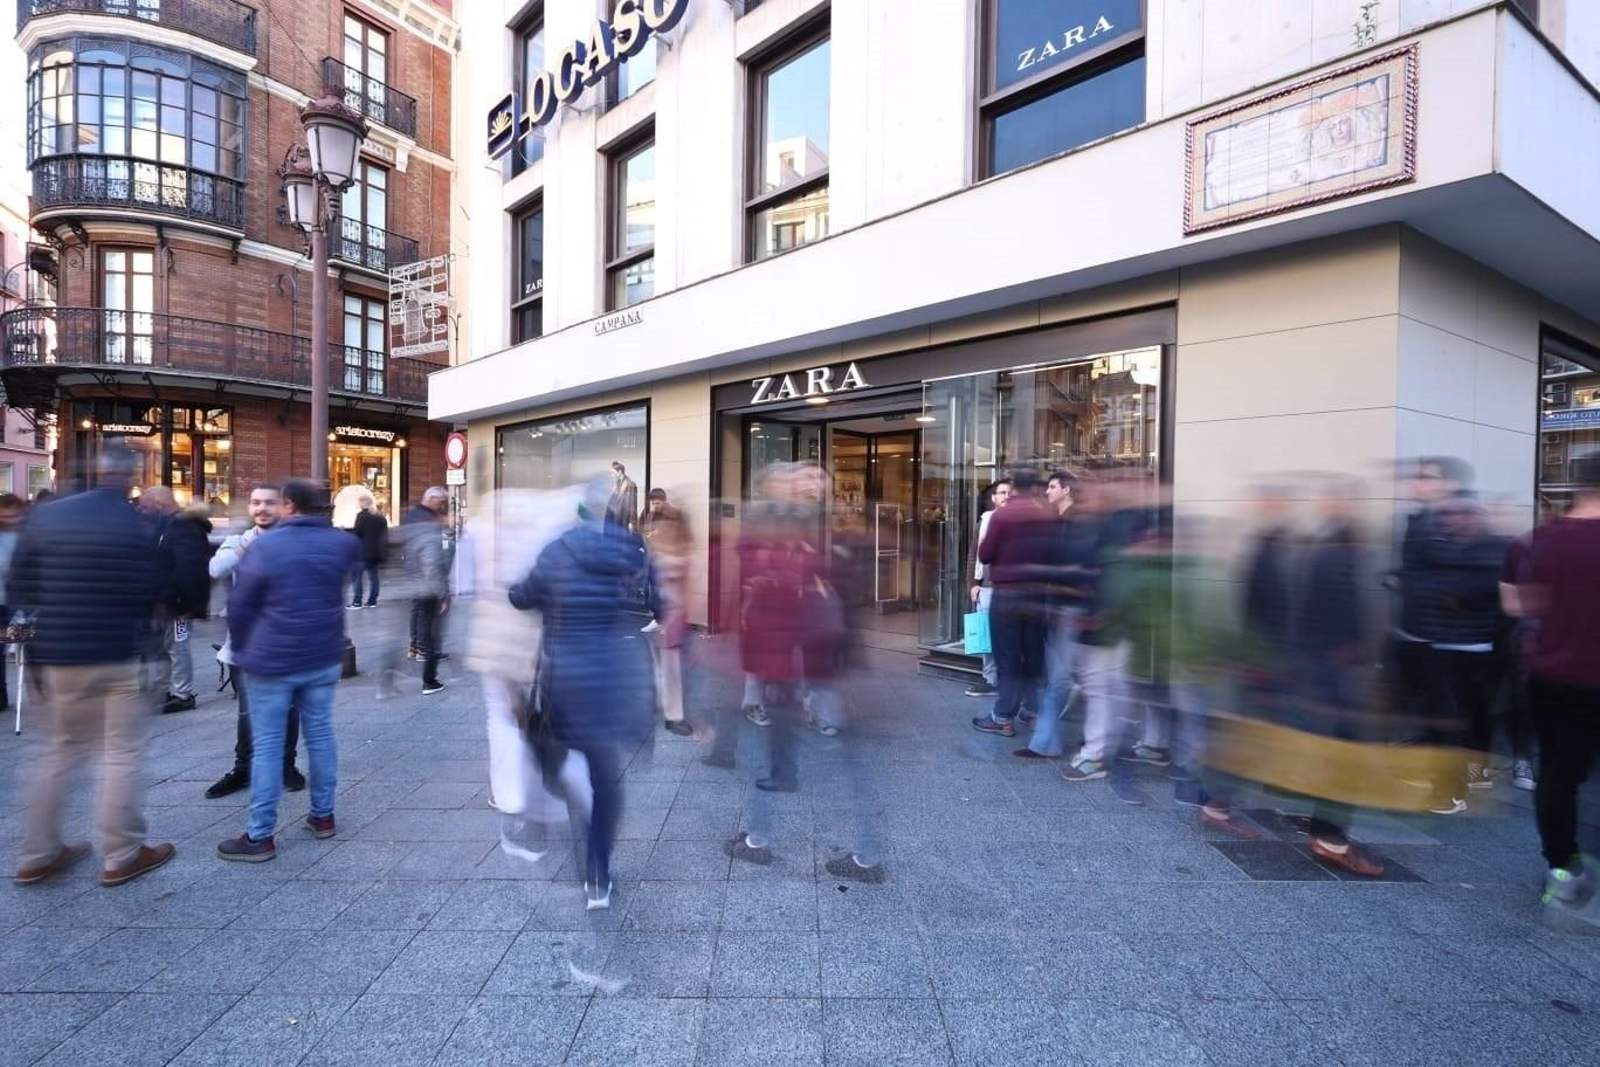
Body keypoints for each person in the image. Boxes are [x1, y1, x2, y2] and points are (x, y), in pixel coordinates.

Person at [10, 443, 175, 887]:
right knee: (120, 753)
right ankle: (121, 854)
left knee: (57, 752)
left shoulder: (47, 516)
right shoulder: (138, 524)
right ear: (130, 476)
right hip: (120, 653)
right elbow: (156, 589)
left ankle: (38, 854)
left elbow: (21, 583)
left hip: (59, 653)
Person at [509, 477, 655, 909]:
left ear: (577, 514)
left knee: (551, 755)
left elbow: (524, 596)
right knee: (605, 776)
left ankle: (561, 808)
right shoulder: (627, 550)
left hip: (565, 680)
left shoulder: (557, 552)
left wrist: (516, 590)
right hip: (611, 679)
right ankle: (598, 873)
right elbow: (649, 595)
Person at [216, 478, 358, 862]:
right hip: (323, 655)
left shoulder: (266, 546)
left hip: (272, 658)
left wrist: (243, 648)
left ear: (289, 505)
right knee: (322, 738)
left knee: (267, 748)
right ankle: (323, 816)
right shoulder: (342, 543)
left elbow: (242, 605)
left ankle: (260, 836)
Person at [1507, 455, 1600, 928]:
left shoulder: (1535, 541)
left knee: (1558, 773)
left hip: (1550, 675)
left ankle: (1561, 867)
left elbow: (1513, 603)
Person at [202, 484, 304, 799]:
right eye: (256, 502)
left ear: (283, 507)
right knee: (247, 712)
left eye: (269, 503)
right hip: (246, 646)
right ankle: (243, 768)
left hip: (286, 643)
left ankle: (287, 765)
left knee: (288, 708)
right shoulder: (238, 541)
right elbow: (216, 568)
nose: (262, 508)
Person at [973, 468, 1057, 738]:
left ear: (1016, 487)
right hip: (1037, 595)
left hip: (1007, 594)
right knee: (1034, 654)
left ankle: (1003, 717)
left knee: (1008, 657)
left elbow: (984, 554)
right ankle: (1032, 712)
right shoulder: (1045, 516)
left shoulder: (1003, 515)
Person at [139, 486, 213, 713]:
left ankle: (182, 693)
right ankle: (168, 690)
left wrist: (186, 602)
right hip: (169, 601)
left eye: (146, 506)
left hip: (178, 604)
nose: (142, 511)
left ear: (159, 504)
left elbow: (190, 568)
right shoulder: (169, 525)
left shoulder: (182, 527)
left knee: (177, 647)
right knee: (168, 647)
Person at [639, 487, 693, 736]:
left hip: (669, 603)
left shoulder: (671, 545)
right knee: (668, 661)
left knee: (667, 660)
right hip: (666, 602)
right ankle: (670, 712)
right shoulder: (654, 528)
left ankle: (666, 708)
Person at [402, 486, 452, 694]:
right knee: (431, 628)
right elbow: (431, 562)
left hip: (415, 578)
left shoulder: (414, 516)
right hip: (427, 582)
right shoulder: (428, 522)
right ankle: (429, 679)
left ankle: (416, 648)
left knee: (420, 616)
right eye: (441, 502)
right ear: (431, 498)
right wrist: (442, 594)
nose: (443, 506)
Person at [965, 479, 1012, 699]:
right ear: (994, 498)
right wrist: (972, 584)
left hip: (1011, 590)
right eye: (1002, 493)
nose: (1006, 496)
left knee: (1008, 638)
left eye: (1010, 492)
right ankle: (990, 679)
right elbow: (973, 555)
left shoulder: (1019, 522)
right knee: (986, 637)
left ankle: (1010, 681)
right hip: (987, 588)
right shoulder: (984, 522)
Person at [0, 493, 25, 715]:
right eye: (4, 516)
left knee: (27, 645)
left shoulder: (28, 534)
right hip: (1, 602)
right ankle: (1, 695)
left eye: (14, 516)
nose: (10, 520)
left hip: (22, 604)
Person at [350, 494, 388, 609]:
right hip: (376, 552)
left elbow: (357, 534)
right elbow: (384, 535)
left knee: (357, 577)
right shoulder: (380, 517)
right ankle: (372, 601)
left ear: (362, 503)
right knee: (374, 578)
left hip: (362, 552)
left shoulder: (361, 516)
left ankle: (357, 602)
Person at [607, 461, 639, 532]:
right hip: (615, 520)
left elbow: (633, 505)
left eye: (613, 473)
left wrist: (632, 522)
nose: (612, 475)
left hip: (624, 519)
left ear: (620, 472)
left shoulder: (630, 484)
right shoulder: (616, 485)